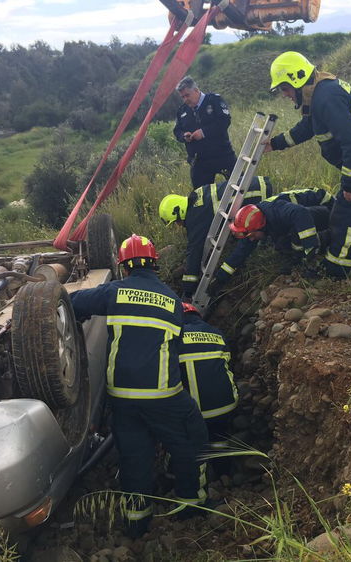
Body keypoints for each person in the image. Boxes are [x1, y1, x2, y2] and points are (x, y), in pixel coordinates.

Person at [69, 234, 208, 537]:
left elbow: (74, 302)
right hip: (164, 397)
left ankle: (136, 523)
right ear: (155, 264)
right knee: (190, 440)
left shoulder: (114, 292)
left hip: (122, 399)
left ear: (124, 267)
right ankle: (190, 509)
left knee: (133, 457)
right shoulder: (172, 301)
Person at [264, 51, 351, 279]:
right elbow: (308, 127)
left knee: (347, 213)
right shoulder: (317, 92)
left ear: (296, 80)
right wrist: (275, 144)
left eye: (285, 88)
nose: (285, 94)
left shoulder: (326, 98)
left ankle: (336, 269)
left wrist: (350, 185)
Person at [159, 176, 273, 301]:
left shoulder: (195, 217)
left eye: (177, 222)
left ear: (179, 211)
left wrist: (188, 289)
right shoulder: (196, 194)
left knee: (253, 233)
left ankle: (269, 246)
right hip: (255, 182)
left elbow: (194, 252)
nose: (179, 225)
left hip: (257, 195)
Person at [208, 198, 331, 295]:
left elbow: (301, 213)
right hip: (302, 218)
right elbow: (239, 254)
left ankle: (328, 237)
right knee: (281, 246)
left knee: (298, 235)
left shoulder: (276, 211)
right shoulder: (255, 224)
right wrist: (220, 280)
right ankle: (299, 256)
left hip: (325, 211)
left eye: (252, 235)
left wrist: (309, 252)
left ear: (260, 226)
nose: (251, 239)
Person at [178, 302, 239, 476]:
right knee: (219, 434)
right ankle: (223, 472)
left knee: (182, 441)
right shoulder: (217, 333)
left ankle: (174, 475)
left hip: (196, 413)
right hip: (227, 406)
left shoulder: (175, 337)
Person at [173, 76, 237, 189]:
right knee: (201, 198)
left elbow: (225, 121)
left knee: (239, 187)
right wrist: (184, 136)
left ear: (196, 90)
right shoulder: (182, 110)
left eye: (187, 95)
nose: (185, 99)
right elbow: (177, 131)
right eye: (182, 97)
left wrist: (203, 132)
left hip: (223, 155)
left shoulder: (214, 100)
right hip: (199, 162)